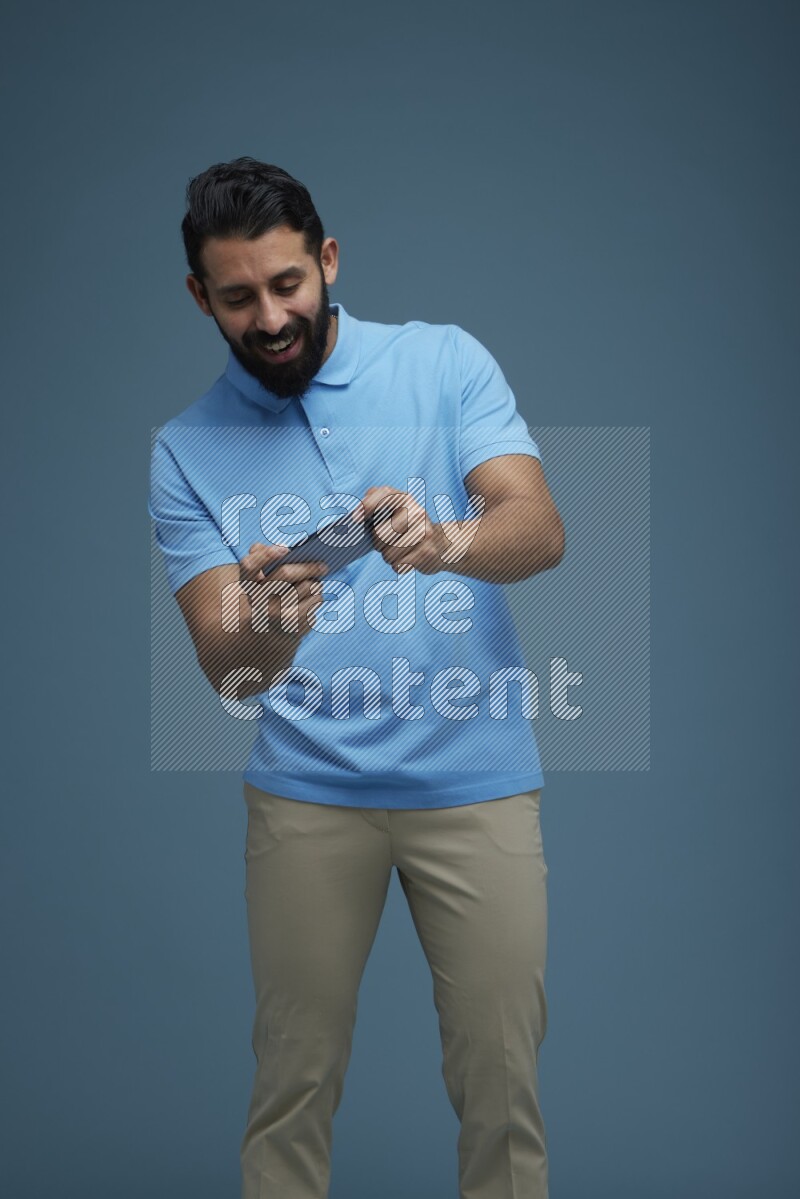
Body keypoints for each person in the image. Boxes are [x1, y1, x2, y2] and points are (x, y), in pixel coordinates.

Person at [149, 156, 565, 1199]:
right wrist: (271, 630)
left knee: (501, 1090)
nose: (271, 316)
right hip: (305, 797)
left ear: (326, 260)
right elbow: (224, 667)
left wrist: (453, 538)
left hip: (475, 785)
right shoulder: (182, 450)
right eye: (238, 297)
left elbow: (538, 526)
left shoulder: (442, 361)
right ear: (201, 296)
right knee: (291, 1088)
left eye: (287, 283)